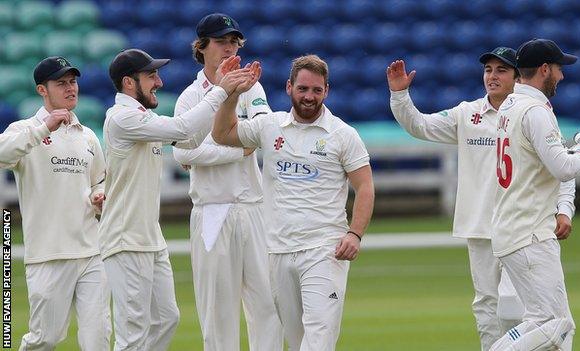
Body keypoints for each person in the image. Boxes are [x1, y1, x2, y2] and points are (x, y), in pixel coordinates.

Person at [386, 47, 579, 350]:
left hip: (523, 226)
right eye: (488, 70)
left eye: (501, 70)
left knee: (526, 309)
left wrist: (564, 210)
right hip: (481, 227)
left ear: (518, 76)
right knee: (489, 305)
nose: (492, 76)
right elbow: (420, 126)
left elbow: (559, 166)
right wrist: (400, 96)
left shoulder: (533, 114)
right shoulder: (468, 113)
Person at [212, 55, 375, 351]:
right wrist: (231, 96)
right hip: (278, 251)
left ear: (326, 90)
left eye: (316, 90)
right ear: (289, 87)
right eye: (303, 89)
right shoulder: (269, 126)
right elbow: (222, 134)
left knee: (318, 340)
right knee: (297, 340)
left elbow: (365, 186)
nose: (309, 97)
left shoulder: (342, 134)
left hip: (324, 250)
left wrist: (355, 233)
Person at [98, 48, 253, 351]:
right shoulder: (122, 118)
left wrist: (229, 100)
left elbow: (188, 140)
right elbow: (182, 128)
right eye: (151, 75)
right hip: (125, 238)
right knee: (132, 335)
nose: (159, 81)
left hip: (150, 238)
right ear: (129, 83)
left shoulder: (145, 118)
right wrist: (220, 90)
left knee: (167, 319)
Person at [489, 39, 580, 350]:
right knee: (557, 326)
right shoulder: (535, 111)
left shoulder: (509, 104)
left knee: (555, 327)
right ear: (544, 69)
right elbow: (562, 168)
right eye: (559, 69)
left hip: (515, 228)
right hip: (529, 232)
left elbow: (548, 160)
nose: (561, 76)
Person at [172, 13, 282, 351]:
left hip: (254, 208)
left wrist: (220, 144)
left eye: (234, 42)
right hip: (212, 211)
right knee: (218, 314)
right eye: (222, 42)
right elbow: (183, 155)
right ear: (202, 48)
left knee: (268, 307)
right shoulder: (191, 98)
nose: (230, 48)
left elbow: (263, 131)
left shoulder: (252, 86)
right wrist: (238, 148)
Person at [0, 56, 110, 350]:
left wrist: (99, 196)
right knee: (44, 339)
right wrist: (42, 129)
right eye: (61, 83)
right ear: (42, 90)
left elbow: (99, 180)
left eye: (72, 81)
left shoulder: (87, 136)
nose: (70, 88)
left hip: (91, 251)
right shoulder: (24, 130)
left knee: (98, 338)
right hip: (48, 254)